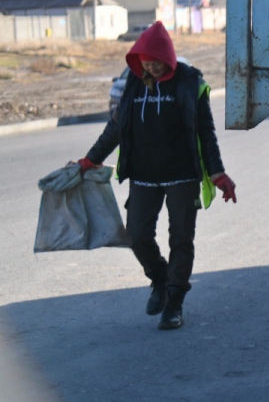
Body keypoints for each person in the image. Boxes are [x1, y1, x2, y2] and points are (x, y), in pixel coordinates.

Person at [74, 21, 236, 331]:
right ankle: (160, 279)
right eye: (145, 63)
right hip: (144, 175)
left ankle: (174, 301)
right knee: (137, 235)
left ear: (169, 57)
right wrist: (90, 160)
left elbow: (206, 132)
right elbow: (116, 129)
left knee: (181, 239)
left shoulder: (190, 83)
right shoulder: (137, 83)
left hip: (182, 174)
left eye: (156, 62)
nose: (151, 67)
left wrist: (217, 172)